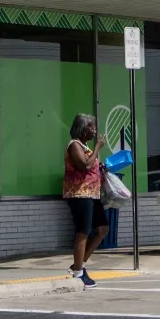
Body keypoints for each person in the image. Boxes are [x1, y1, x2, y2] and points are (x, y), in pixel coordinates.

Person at [63, 113, 103, 285]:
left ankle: (79, 264)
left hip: (92, 194)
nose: (94, 131)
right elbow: (84, 165)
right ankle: (78, 273)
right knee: (83, 232)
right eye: (91, 127)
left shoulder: (85, 146)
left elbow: (91, 165)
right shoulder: (74, 145)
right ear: (83, 129)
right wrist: (98, 148)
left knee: (103, 228)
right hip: (80, 195)